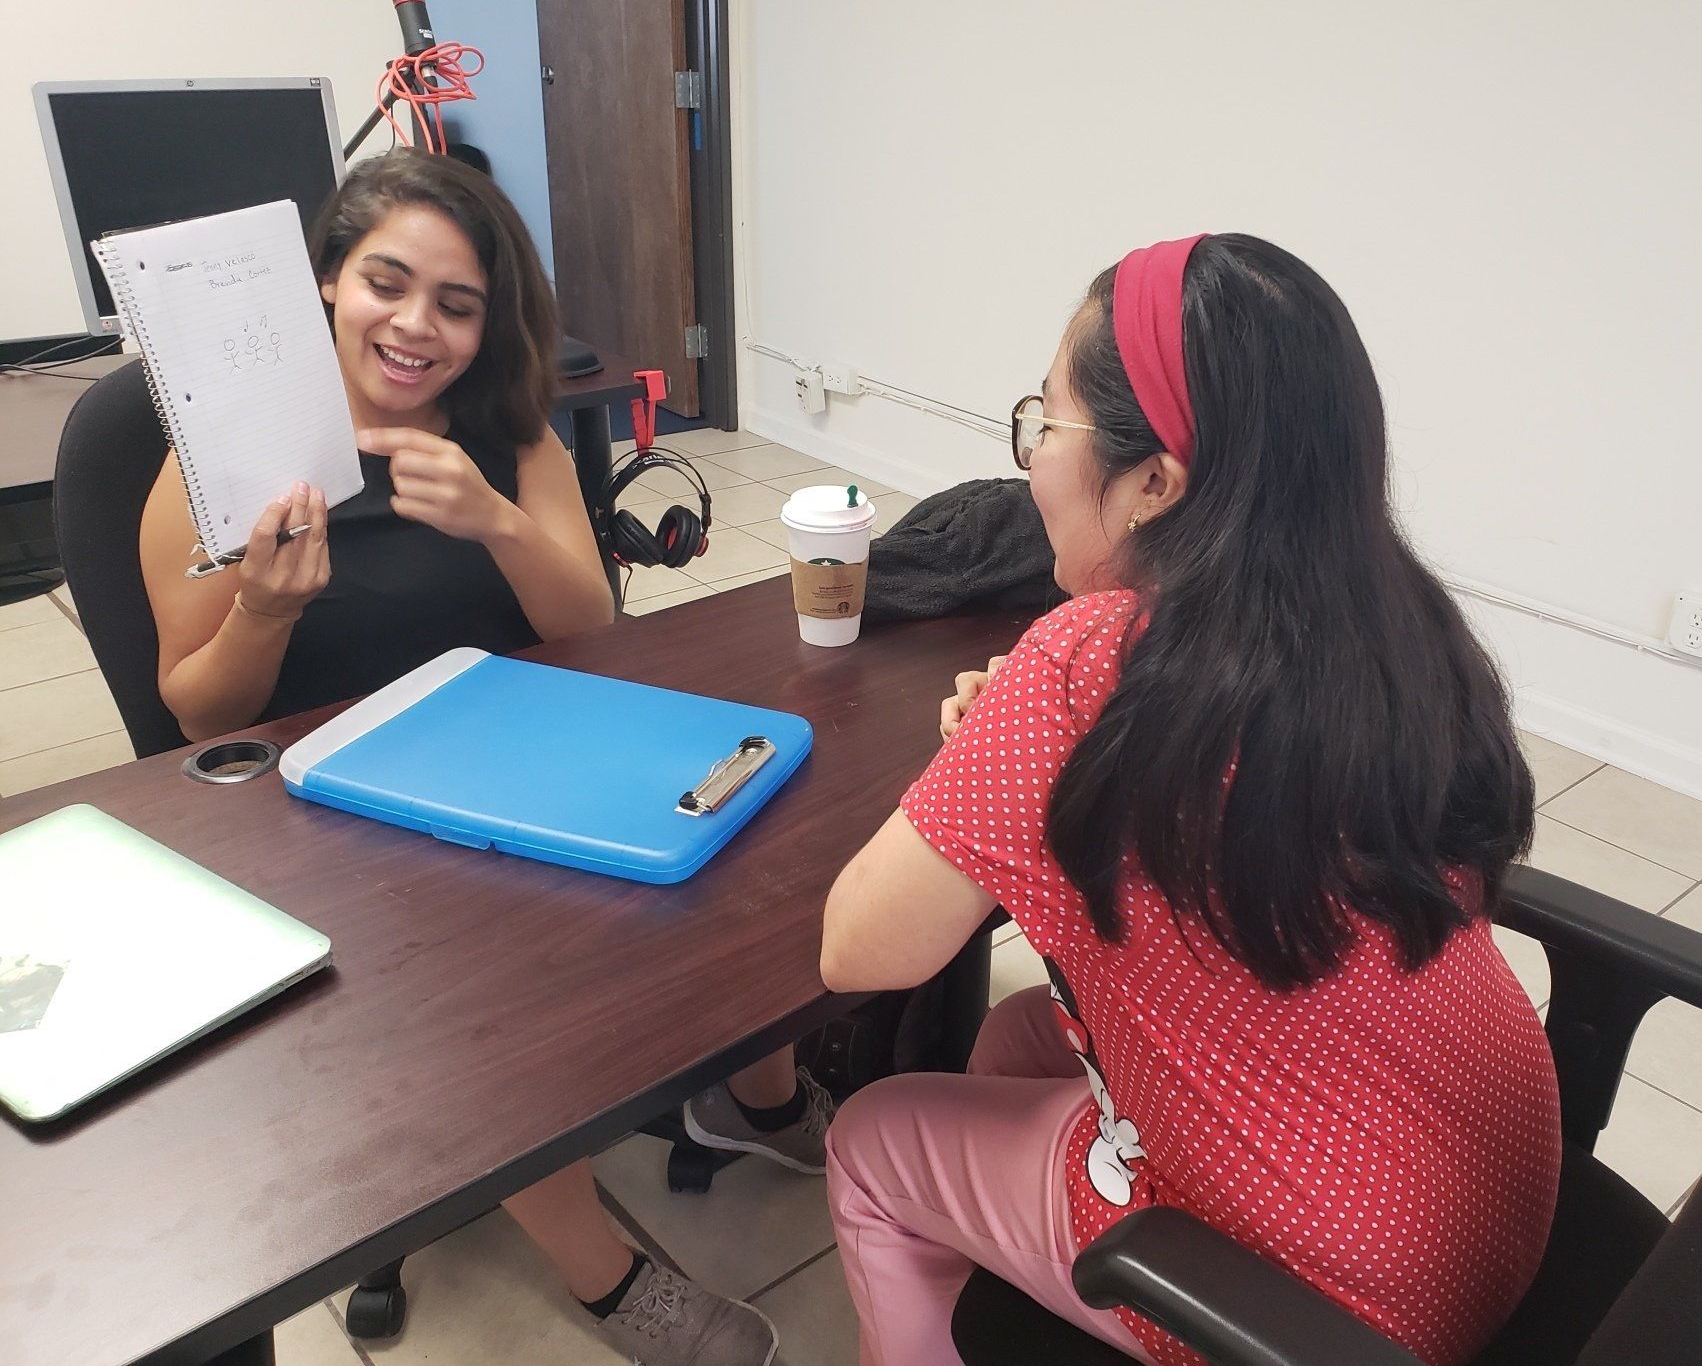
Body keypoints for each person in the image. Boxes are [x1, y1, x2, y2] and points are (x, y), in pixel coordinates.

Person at [817, 233, 1560, 1366]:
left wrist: (1006, 745)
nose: (1030, 464)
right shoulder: (1401, 630)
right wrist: (1018, 767)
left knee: (874, 1140)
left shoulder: (1084, 661)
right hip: (1491, 1220)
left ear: (1156, 481)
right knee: (1021, 1034)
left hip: (1327, 1313)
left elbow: (860, 950)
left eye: (1046, 426)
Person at [139, 149, 821, 1365]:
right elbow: (196, 714)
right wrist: (263, 608)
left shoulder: (512, 439)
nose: (418, 328)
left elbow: (586, 627)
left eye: (457, 305)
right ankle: (608, 1282)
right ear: (324, 291)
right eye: (385, 286)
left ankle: (752, 1099)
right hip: (330, 815)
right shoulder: (223, 470)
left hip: (510, 756)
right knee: (477, 1016)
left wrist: (494, 518)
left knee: (728, 838)